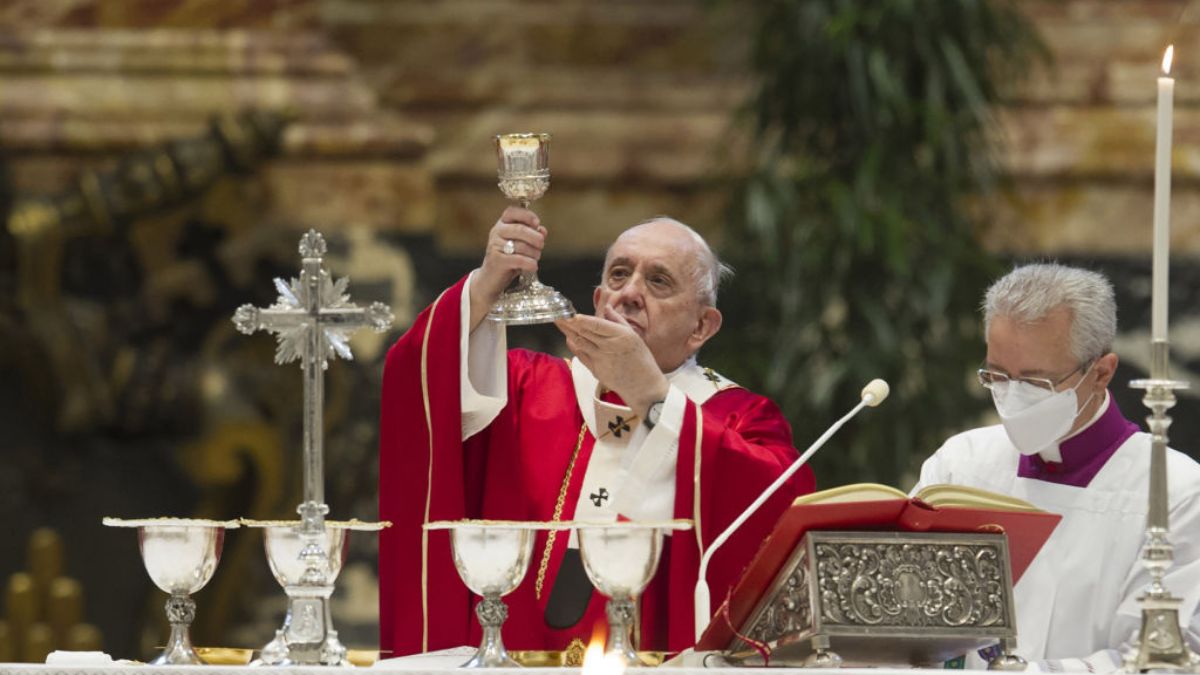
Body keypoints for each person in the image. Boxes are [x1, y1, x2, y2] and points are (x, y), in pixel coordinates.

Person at [378, 207, 815, 656]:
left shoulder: (739, 416)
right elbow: (419, 381)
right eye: (619, 275)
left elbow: (781, 508)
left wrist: (653, 398)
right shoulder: (527, 387)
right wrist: (486, 284)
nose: (628, 294)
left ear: (701, 326)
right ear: (596, 297)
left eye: (658, 281)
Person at [913, 263, 1200, 670]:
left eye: (1036, 382)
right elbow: (907, 618)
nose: (1013, 397)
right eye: (997, 376)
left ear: (1101, 372)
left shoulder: (1174, 491)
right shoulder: (961, 464)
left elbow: (1164, 657)